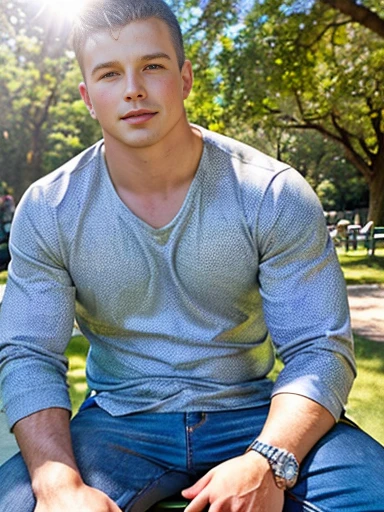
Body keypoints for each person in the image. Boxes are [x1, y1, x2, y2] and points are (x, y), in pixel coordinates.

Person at [0, 1, 383, 511]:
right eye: (111, 74)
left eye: (152, 66)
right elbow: (29, 354)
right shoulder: (50, 208)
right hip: (118, 421)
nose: (133, 88)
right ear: (88, 97)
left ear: (184, 78)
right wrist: (57, 486)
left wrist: (268, 458)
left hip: (252, 411)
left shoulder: (271, 192)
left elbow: (319, 347)